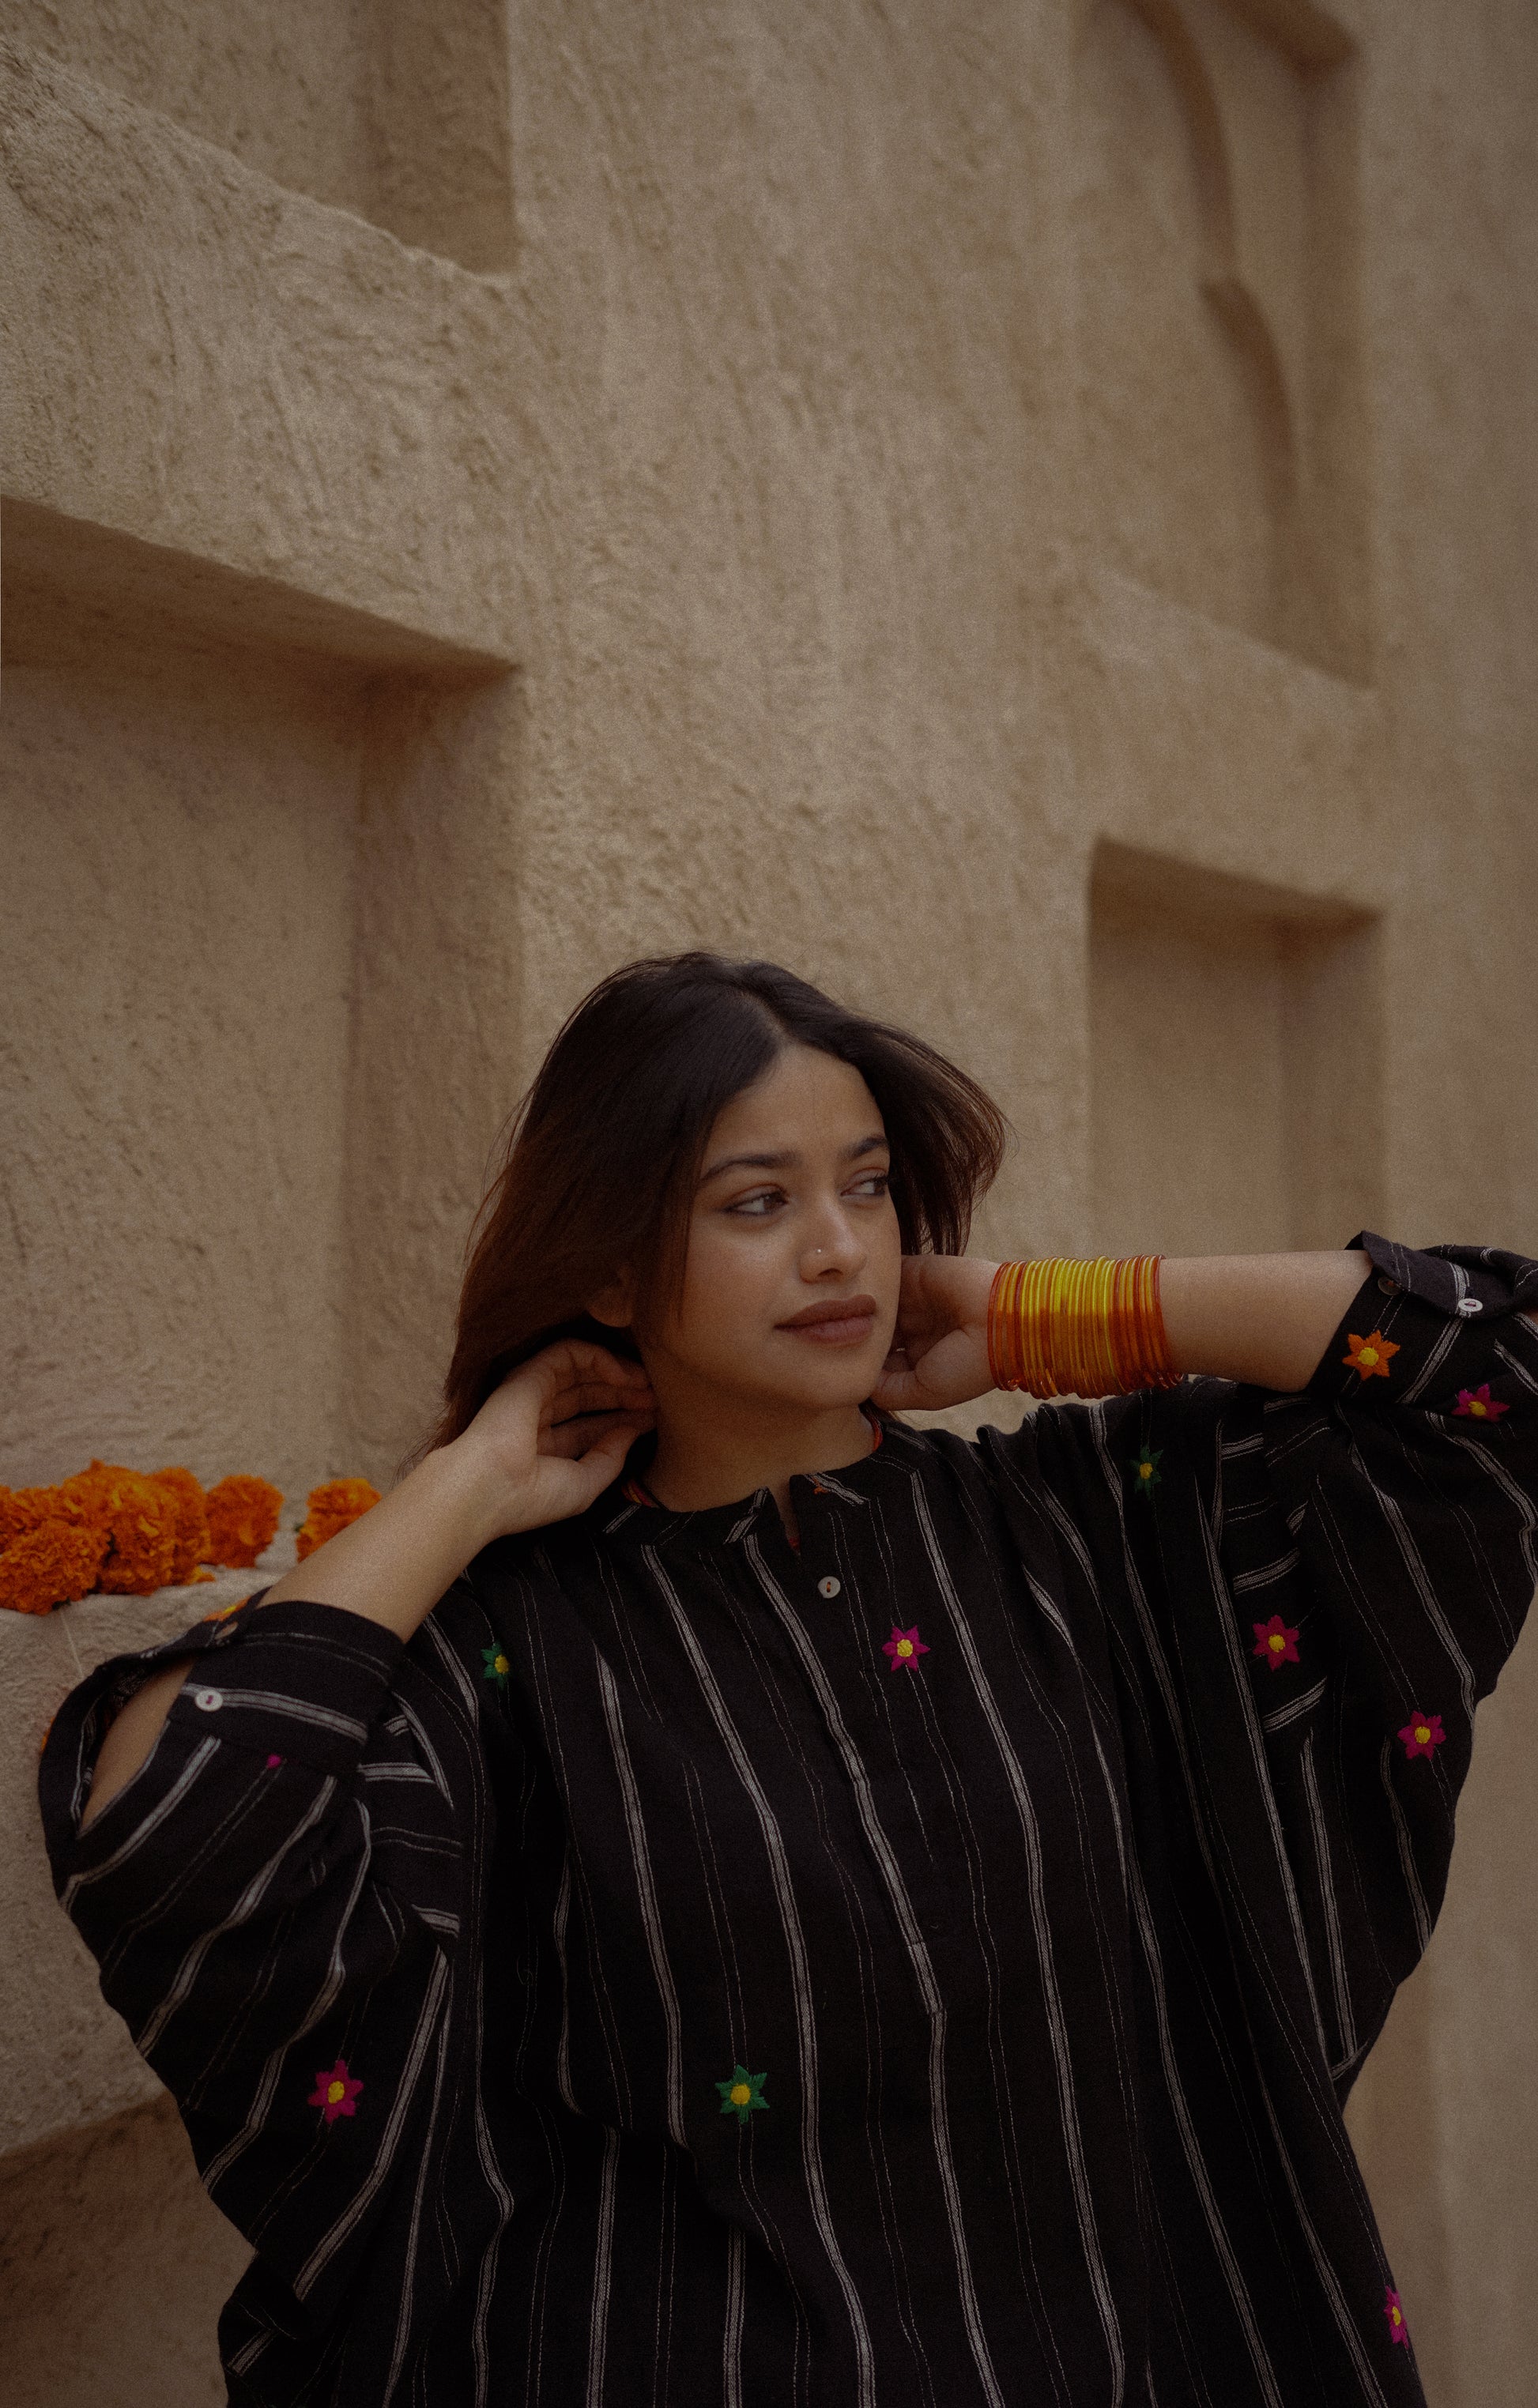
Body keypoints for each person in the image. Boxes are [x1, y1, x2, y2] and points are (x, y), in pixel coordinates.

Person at [40, 952, 1538, 2408]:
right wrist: (467, 1483)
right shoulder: (510, 1649)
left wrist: (1039, 1314)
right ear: (614, 1270)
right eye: (757, 1202)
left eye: (868, 1186)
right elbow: (184, 1825)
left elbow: (1491, 1368)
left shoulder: (1092, 1530)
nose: (839, 1249)